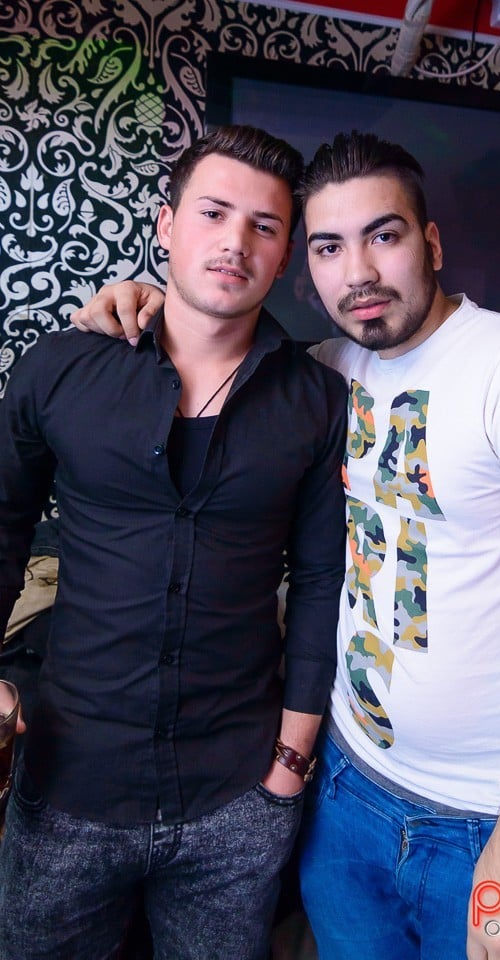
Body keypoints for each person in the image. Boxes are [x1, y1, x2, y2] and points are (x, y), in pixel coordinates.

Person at [70, 131, 500, 960]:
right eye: (329, 246)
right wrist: (137, 304)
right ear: (307, 267)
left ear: (431, 243)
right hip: (345, 793)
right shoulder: (327, 372)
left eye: (384, 235)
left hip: (489, 820)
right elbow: (210, 342)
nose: (358, 271)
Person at [0, 124, 348, 960]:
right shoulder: (60, 368)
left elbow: (319, 581)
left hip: (236, 800)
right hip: (68, 787)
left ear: (285, 254)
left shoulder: (317, 398)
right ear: (166, 224)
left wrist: (288, 769)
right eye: (213, 213)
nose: (235, 242)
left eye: (264, 226)